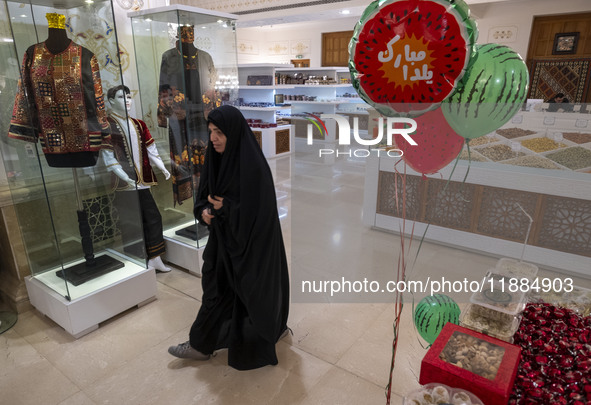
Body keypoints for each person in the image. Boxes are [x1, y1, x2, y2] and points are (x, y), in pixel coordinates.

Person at [168, 105, 290, 370]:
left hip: (252, 248)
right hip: (224, 242)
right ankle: (200, 344)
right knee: (216, 289)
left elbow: (262, 211)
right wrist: (204, 213)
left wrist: (228, 208)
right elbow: (203, 197)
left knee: (251, 295)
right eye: (211, 131)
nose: (213, 138)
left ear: (234, 133)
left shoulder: (253, 166)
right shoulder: (215, 159)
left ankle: (269, 330)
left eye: (220, 132)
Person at [104, 85, 172, 273]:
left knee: (153, 218)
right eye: (120, 97)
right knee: (131, 224)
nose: (126, 100)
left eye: (128, 96)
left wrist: (163, 168)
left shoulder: (139, 124)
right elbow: (108, 158)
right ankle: (136, 261)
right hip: (125, 184)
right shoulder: (107, 125)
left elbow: (151, 150)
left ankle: (155, 257)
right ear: (110, 101)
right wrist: (125, 177)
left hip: (142, 183)